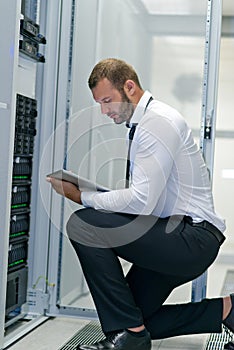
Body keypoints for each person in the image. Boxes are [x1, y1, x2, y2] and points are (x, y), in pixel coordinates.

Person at [47, 58, 234, 350]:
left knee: (83, 223)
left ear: (129, 87)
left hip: (191, 238)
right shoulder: (149, 123)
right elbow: (146, 198)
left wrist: (83, 197)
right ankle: (227, 310)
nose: (104, 111)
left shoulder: (156, 124)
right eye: (99, 103)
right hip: (180, 234)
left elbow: (141, 202)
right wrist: (94, 192)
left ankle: (130, 336)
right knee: (139, 318)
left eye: (107, 100)